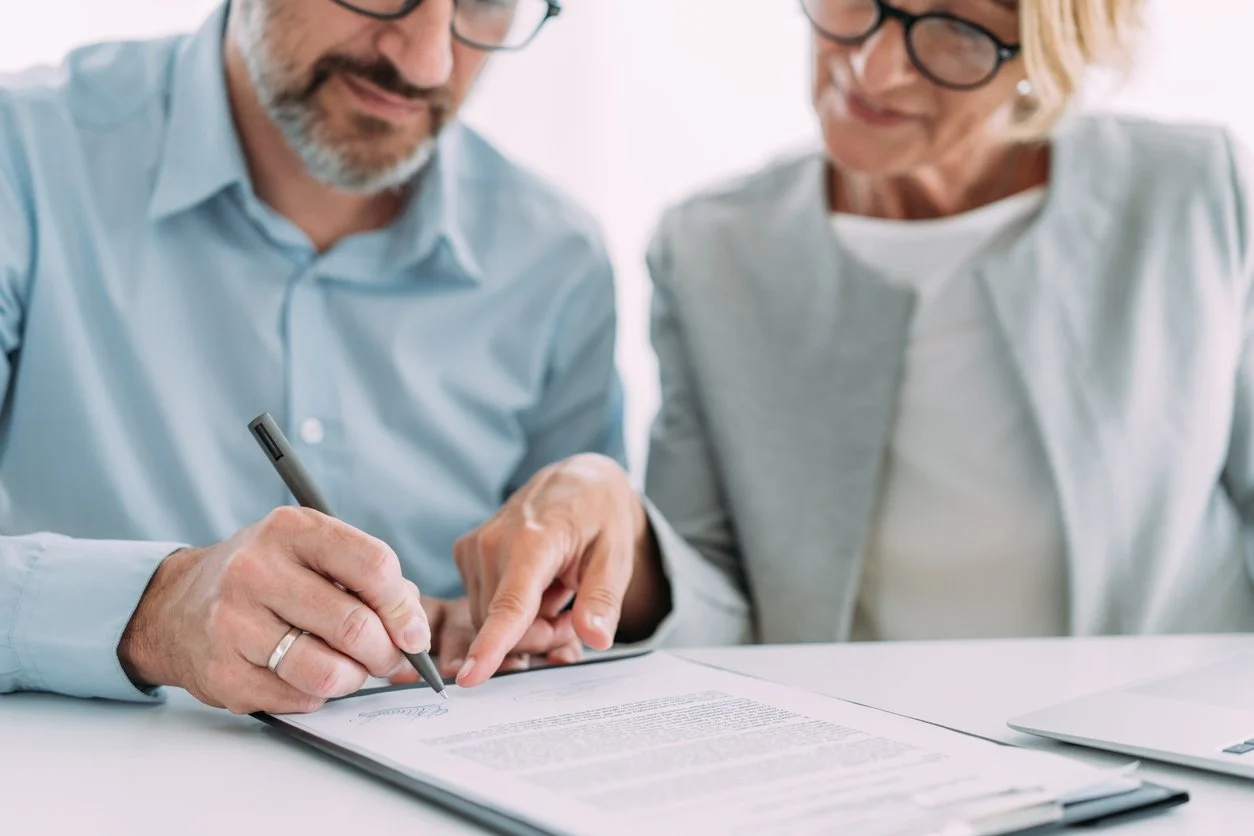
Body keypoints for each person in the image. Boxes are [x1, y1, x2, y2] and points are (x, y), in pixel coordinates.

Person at [454, 0, 1254, 687]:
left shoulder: (1192, 190)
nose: (872, 67)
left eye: (952, 30)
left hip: (1170, 747)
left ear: (1051, 48)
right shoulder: (713, 250)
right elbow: (714, 600)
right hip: (875, 760)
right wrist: (619, 522)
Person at [0, 0, 618, 713]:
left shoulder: (557, 262)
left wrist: (520, 618)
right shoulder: (23, 158)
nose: (426, 62)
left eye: (485, 3)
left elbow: (586, 614)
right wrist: (155, 611)